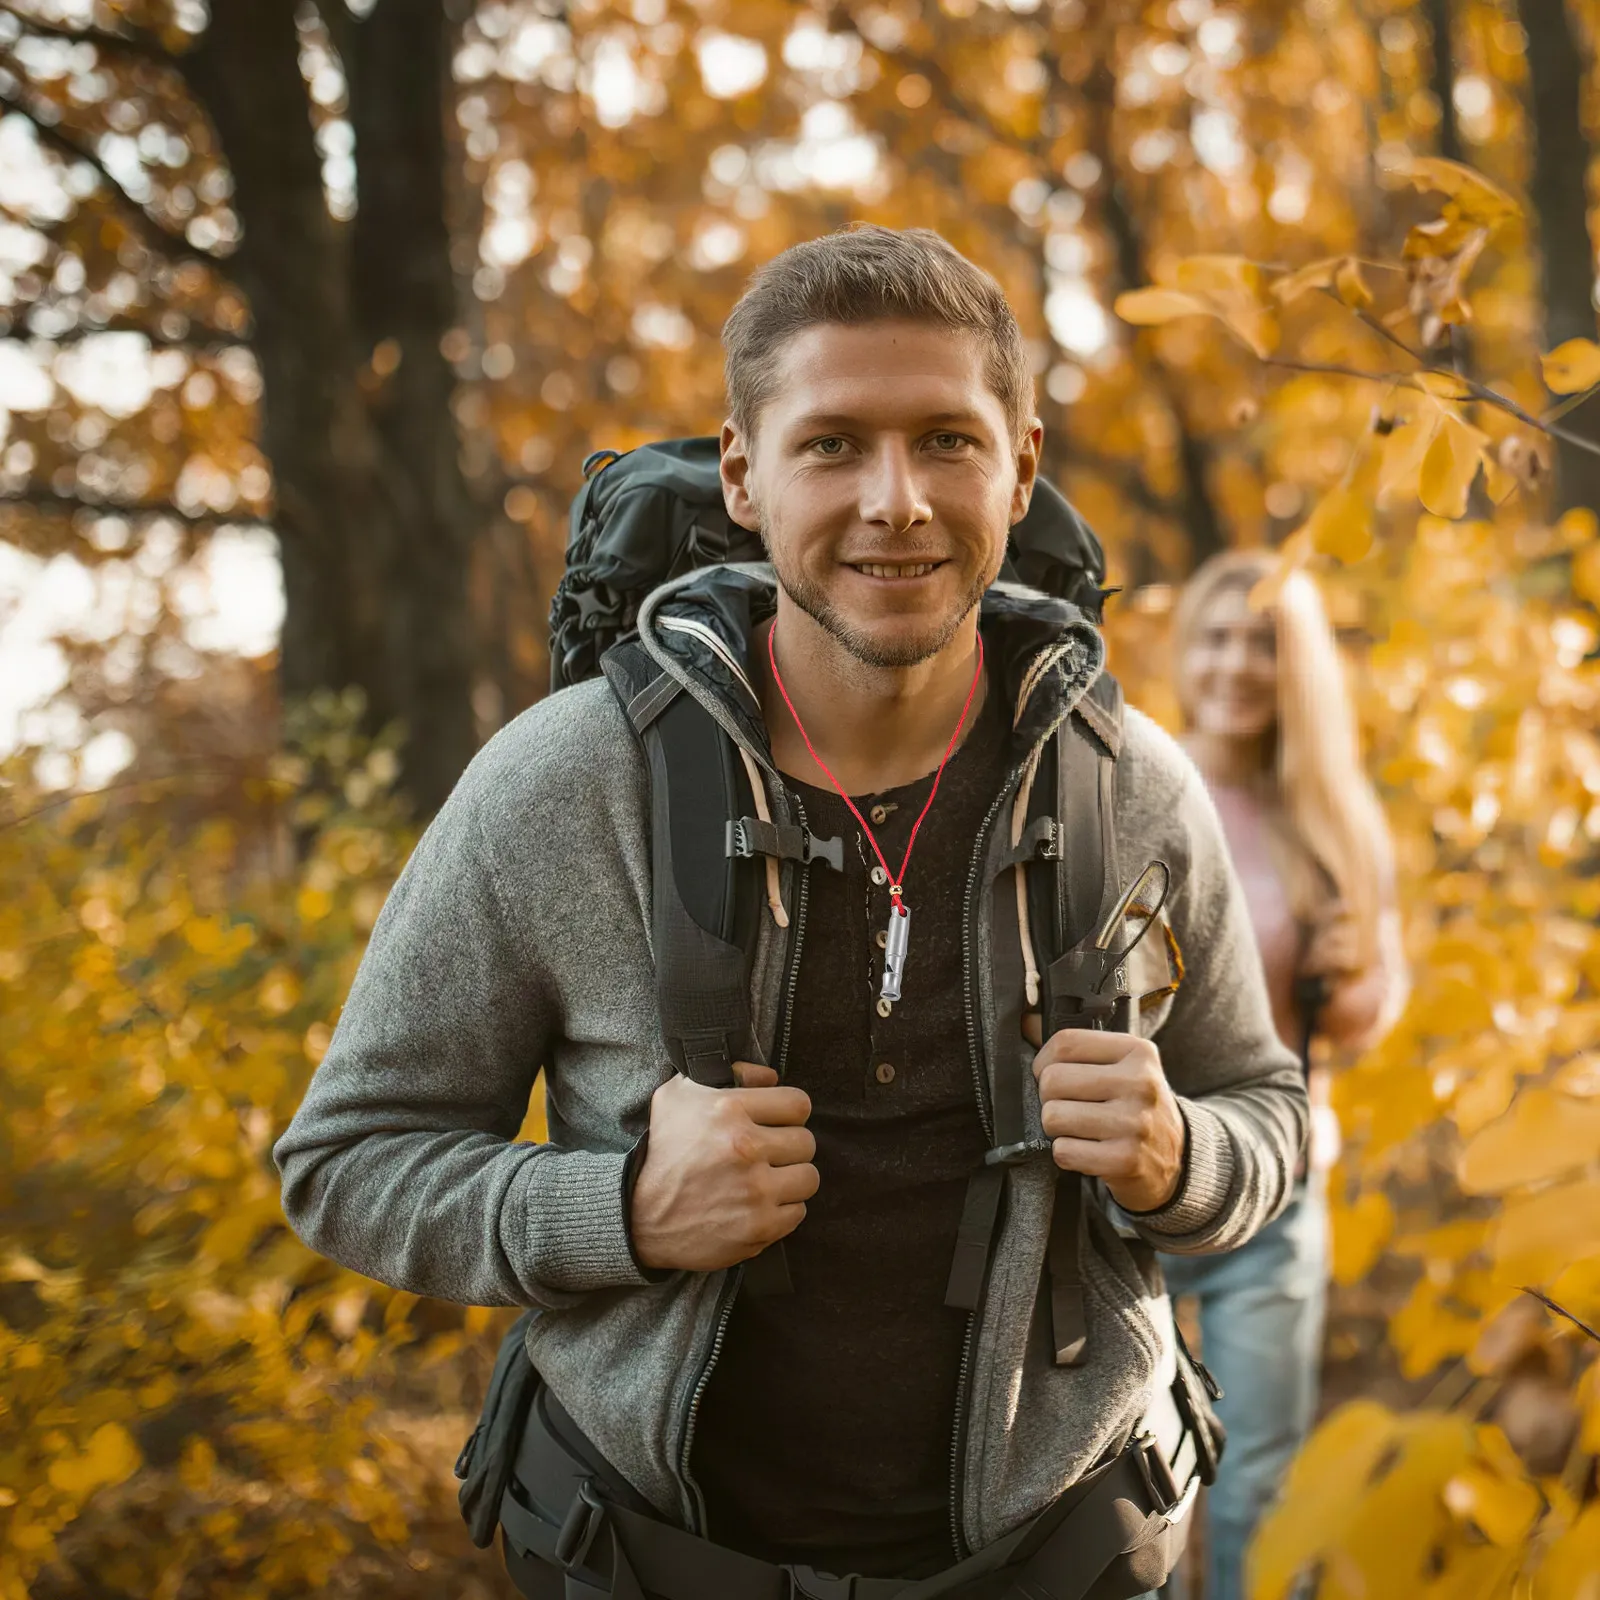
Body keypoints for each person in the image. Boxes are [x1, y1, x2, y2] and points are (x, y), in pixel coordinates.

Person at [273, 226, 1307, 1598]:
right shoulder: (565, 782)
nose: (897, 500)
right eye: (833, 445)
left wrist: (1182, 1156)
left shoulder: (1138, 791)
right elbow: (345, 1160)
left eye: (947, 439)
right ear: (746, 475)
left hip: (1065, 1556)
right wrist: (621, 1209)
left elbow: (1270, 1115)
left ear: (1023, 466)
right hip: (650, 1555)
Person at [1159, 551, 1409, 1600]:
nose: (1235, 663)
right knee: (1122, 1477)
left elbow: (1366, 1013)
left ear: (1294, 664)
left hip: (1281, 1187)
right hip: (1140, 1178)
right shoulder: (1140, 782)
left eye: (1262, 641)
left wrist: (1343, 972)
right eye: (1216, 637)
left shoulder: (1331, 816)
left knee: (1263, 1476)